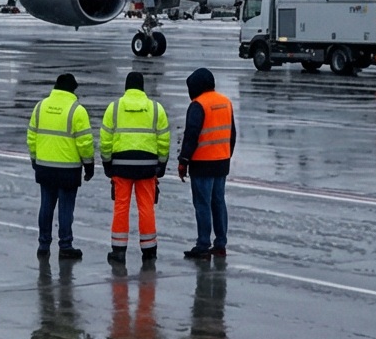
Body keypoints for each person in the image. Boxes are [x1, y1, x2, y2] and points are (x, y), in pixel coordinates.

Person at [97, 70, 170, 266]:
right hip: (147, 166)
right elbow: (164, 140)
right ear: (143, 87)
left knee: (121, 206)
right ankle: (149, 251)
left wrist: (107, 163)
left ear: (126, 87)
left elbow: (105, 140)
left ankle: (119, 251)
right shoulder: (156, 109)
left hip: (121, 165)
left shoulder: (114, 108)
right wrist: (161, 164)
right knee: (146, 207)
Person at [26, 73, 95, 259]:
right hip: (68, 169)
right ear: (73, 89)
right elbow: (85, 143)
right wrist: (89, 165)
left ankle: (43, 244)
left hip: (44, 166)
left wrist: (35, 160)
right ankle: (65, 245)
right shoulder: (77, 110)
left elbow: (31, 137)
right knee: (66, 209)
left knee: (46, 206)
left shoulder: (40, 107)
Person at [177, 67, 233, 258]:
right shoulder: (226, 102)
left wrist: (183, 161)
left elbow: (191, 135)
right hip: (222, 162)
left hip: (202, 163)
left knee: (202, 204)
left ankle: (203, 245)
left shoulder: (198, 105)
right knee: (218, 202)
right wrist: (226, 154)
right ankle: (220, 243)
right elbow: (232, 134)